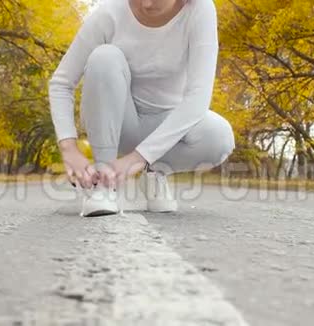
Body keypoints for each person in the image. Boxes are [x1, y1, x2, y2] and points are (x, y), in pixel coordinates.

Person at [49, 0, 235, 216]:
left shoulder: (200, 10)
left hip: (166, 129)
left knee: (219, 136)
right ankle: (104, 181)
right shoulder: (110, 12)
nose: (146, 4)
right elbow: (61, 83)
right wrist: (69, 148)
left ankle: (154, 170)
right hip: (116, 125)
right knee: (104, 57)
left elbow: (198, 98)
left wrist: (139, 159)